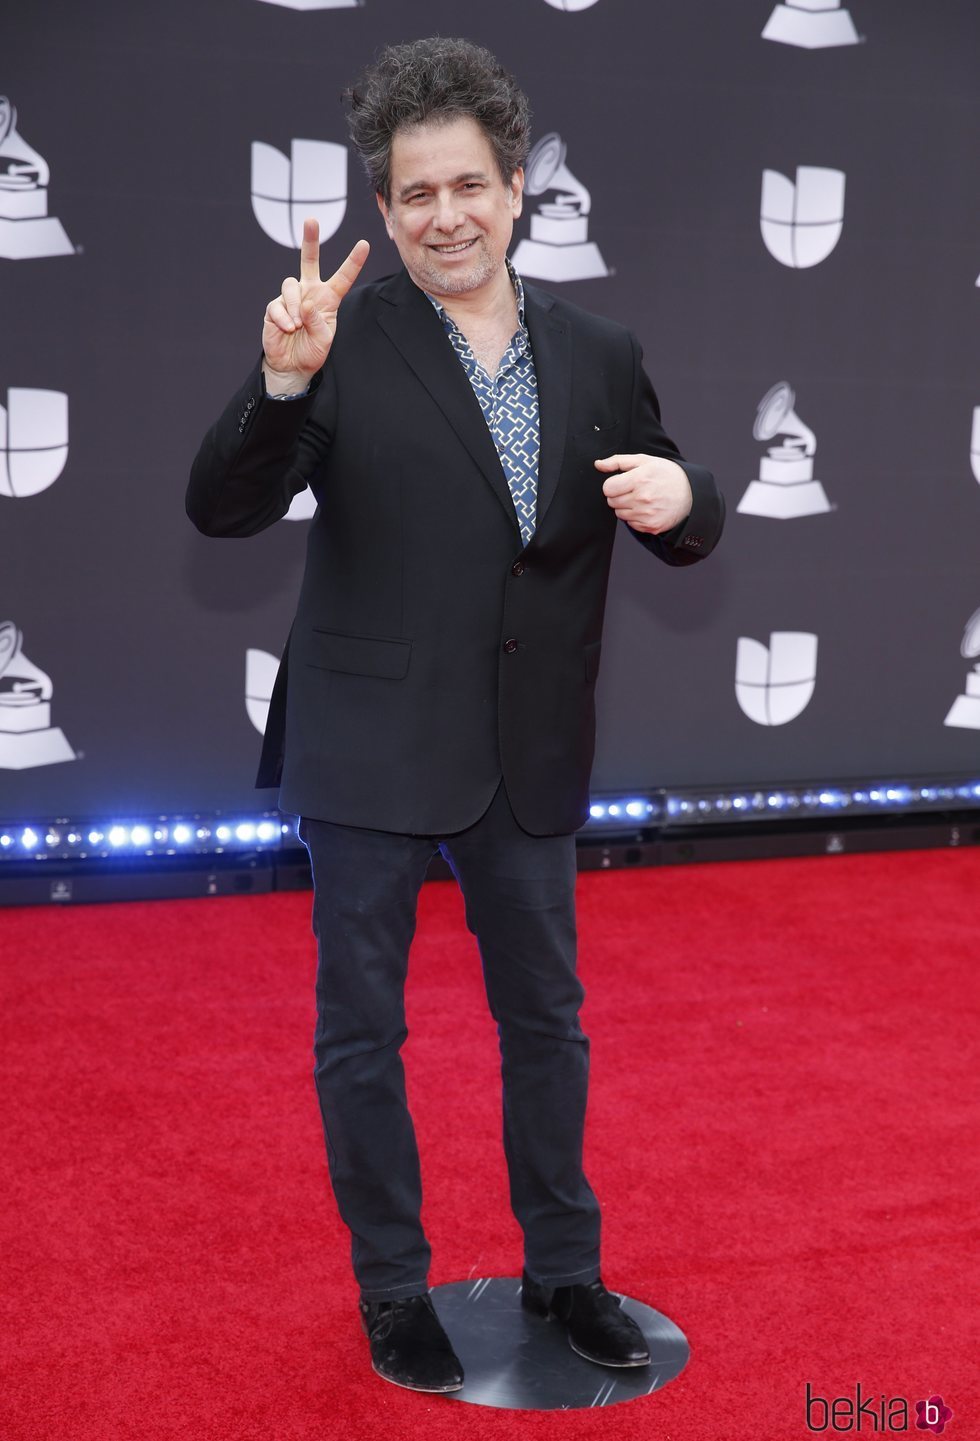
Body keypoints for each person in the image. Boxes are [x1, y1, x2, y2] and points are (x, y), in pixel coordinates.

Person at [187, 36, 724, 1394]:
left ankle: (566, 1268)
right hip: (369, 745)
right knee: (362, 1030)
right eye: (416, 194)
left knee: (548, 1020)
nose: (446, 215)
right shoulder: (341, 340)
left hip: (529, 748)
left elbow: (666, 490)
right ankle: (390, 1286)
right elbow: (224, 505)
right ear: (384, 209)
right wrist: (282, 381)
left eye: (469, 185)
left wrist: (690, 499)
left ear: (516, 188)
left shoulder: (601, 349)